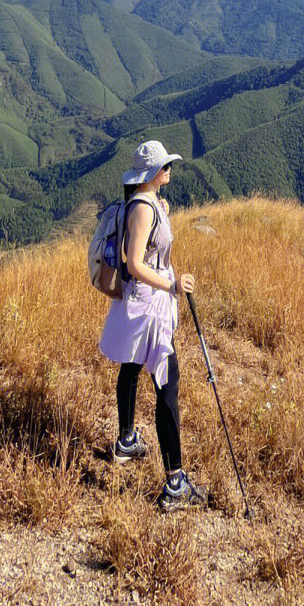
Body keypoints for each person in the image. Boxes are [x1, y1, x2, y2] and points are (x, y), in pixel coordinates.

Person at [98, 139, 207, 512]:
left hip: (141, 303)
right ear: (151, 173)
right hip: (149, 305)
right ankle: (176, 482)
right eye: (165, 165)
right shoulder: (144, 208)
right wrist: (172, 285)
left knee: (130, 366)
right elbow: (134, 265)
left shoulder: (150, 202)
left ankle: (126, 440)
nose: (170, 169)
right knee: (167, 386)